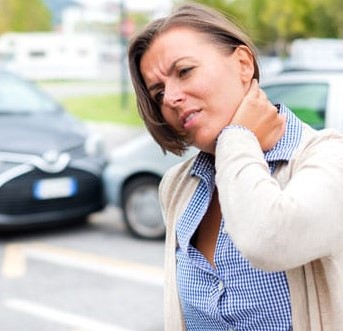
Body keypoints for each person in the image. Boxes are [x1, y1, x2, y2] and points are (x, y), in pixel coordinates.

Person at [128, 2, 343, 330]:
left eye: (184, 71)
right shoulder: (177, 186)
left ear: (243, 64)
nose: (170, 98)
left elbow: (269, 239)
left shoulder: (327, 158)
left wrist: (238, 137)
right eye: (158, 93)